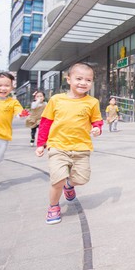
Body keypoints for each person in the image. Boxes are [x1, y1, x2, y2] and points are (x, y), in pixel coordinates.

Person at [35, 62, 103, 225]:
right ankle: (53, 207)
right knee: (57, 180)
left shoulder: (92, 102)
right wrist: (41, 143)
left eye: (88, 80)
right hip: (58, 147)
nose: (83, 83)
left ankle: (70, 185)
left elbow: (97, 121)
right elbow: (45, 122)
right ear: (69, 79)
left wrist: (97, 129)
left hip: (82, 148)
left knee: (82, 179)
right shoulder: (56, 100)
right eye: (79, 78)